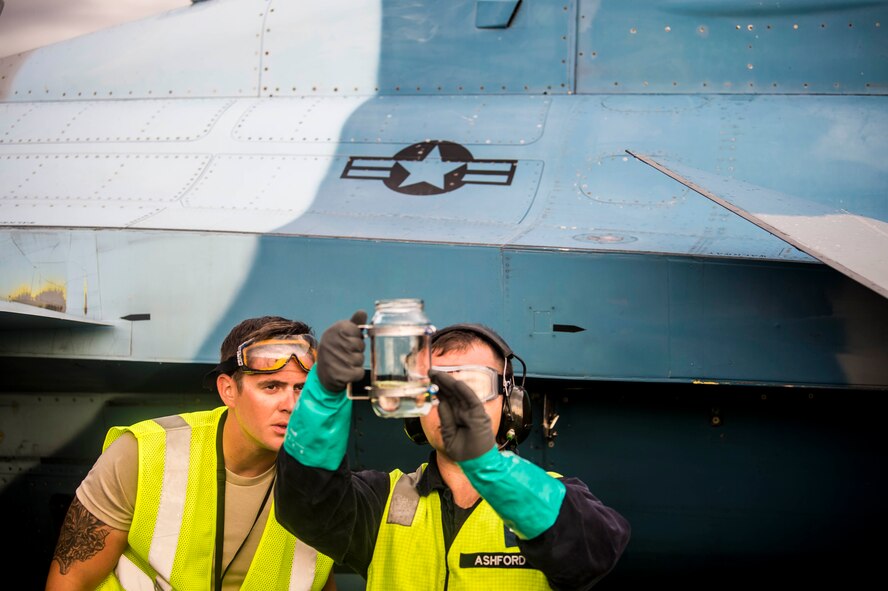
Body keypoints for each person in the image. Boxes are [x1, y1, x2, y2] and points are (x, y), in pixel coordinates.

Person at [274, 311, 630, 590]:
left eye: (472, 384)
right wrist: (322, 396)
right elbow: (306, 505)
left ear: (510, 403)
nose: (453, 404)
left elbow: (592, 554)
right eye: (435, 387)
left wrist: (486, 463)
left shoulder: (557, 497)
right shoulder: (378, 503)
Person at [46, 316, 337, 591]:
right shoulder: (143, 454)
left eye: (302, 388)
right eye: (271, 386)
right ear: (228, 390)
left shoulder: (326, 483)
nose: (291, 404)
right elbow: (70, 580)